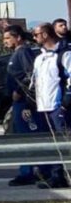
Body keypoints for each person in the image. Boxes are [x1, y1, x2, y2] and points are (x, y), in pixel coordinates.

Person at [29, 22, 71, 188]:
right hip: (43, 107)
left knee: (65, 142)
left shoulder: (64, 54)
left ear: (45, 35)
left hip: (58, 106)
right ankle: (57, 176)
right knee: (51, 144)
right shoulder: (39, 58)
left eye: (36, 35)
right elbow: (36, 81)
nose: (34, 38)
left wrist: (65, 104)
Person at [5, 24, 44, 186]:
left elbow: (31, 75)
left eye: (8, 38)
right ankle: (27, 170)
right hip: (17, 103)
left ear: (18, 38)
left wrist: (20, 93)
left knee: (29, 136)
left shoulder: (24, 52)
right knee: (21, 137)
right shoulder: (16, 53)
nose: (5, 41)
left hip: (25, 103)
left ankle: (36, 171)